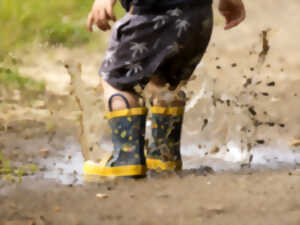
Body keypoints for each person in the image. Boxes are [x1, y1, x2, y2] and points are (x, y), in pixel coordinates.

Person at [83, 0, 246, 178]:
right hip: (197, 19)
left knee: (117, 81)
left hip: (152, 15)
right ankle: (165, 155)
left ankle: (126, 159)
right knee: (165, 82)